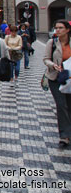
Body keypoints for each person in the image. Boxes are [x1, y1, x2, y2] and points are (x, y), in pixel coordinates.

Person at [43, 19, 71, 148]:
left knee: (69, 105)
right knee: (61, 105)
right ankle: (64, 136)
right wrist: (53, 65)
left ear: (67, 29)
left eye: (60, 28)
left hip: (69, 77)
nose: (57, 30)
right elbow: (46, 59)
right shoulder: (52, 42)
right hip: (55, 77)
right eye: (56, 28)